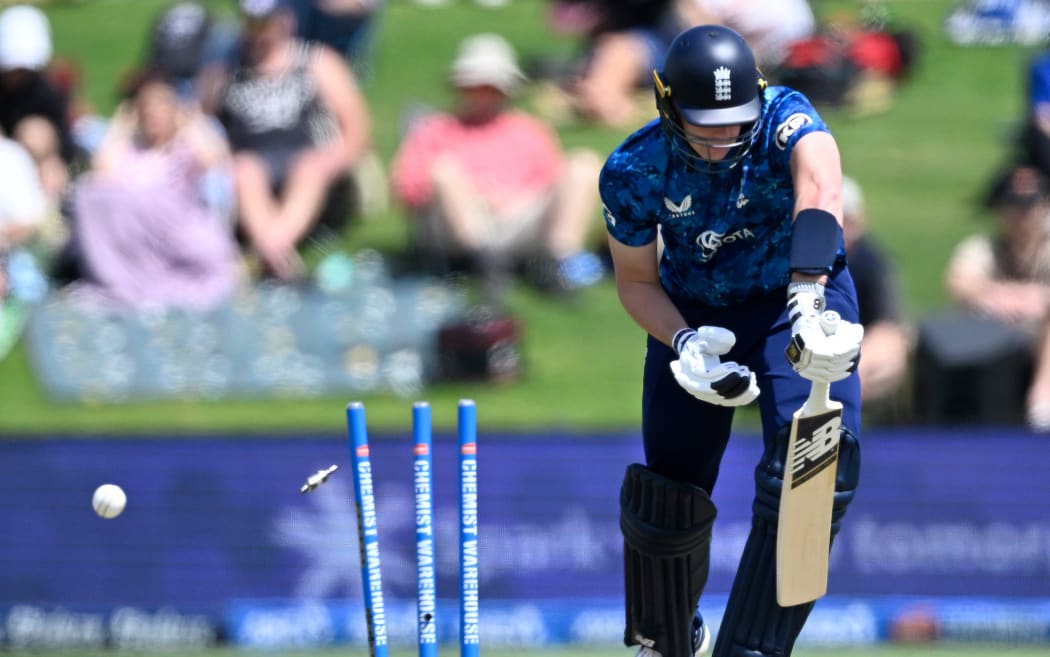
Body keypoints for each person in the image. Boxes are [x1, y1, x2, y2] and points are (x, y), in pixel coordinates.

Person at [599, 25, 863, 657]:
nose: (722, 138)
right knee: (668, 485)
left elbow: (822, 187)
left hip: (792, 297)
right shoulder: (634, 170)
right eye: (704, 124)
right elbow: (635, 282)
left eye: (733, 122)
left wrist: (807, 296)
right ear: (667, 106)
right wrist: (684, 343)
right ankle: (665, 633)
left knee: (815, 463)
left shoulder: (783, 117)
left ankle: (753, 648)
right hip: (693, 309)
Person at [390, 33, 605, 298]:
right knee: (444, 171)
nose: (483, 95)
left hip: (520, 219)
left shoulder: (529, 130)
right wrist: (476, 193)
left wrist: (514, 196)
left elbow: (552, 180)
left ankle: (558, 264)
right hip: (460, 225)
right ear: (461, 87)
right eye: (475, 86)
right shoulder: (436, 130)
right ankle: (485, 267)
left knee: (583, 165)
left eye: (491, 88)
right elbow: (407, 190)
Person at [204, 0, 373, 281]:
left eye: (266, 22)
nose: (260, 31)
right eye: (252, 22)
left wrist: (336, 159)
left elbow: (357, 128)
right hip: (250, 162)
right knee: (246, 169)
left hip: (311, 160)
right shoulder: (228, 69)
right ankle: (282, 261)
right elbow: (203, 124)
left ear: (286, 21)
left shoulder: (316, 61)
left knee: (308, 167)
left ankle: (268, 252)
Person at [64, 70, 240, 311]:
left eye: (160, 105)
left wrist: (190, 123)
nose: (153, 113)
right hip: (131, 237)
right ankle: (119, 279)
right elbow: (101, 178)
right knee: (89, 194)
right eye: (146, 107)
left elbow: (215, 161)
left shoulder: (185, 149)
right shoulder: (131, 149)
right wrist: (121, 126)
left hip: (174, 228)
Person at [944, 164, 1050, 430]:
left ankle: (1042, 402)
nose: (1023, 214)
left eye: (1031, 204)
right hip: (992, 349)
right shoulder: (984, 248)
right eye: (1015, 204)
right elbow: (958, 282)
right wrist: (1017, 297)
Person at [841, 175, 911, 409]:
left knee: (890, 352)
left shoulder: (871, 263)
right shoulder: (795, 261)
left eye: (847, 220)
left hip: (857, 352)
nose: (841, 229)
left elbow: (889, 326)